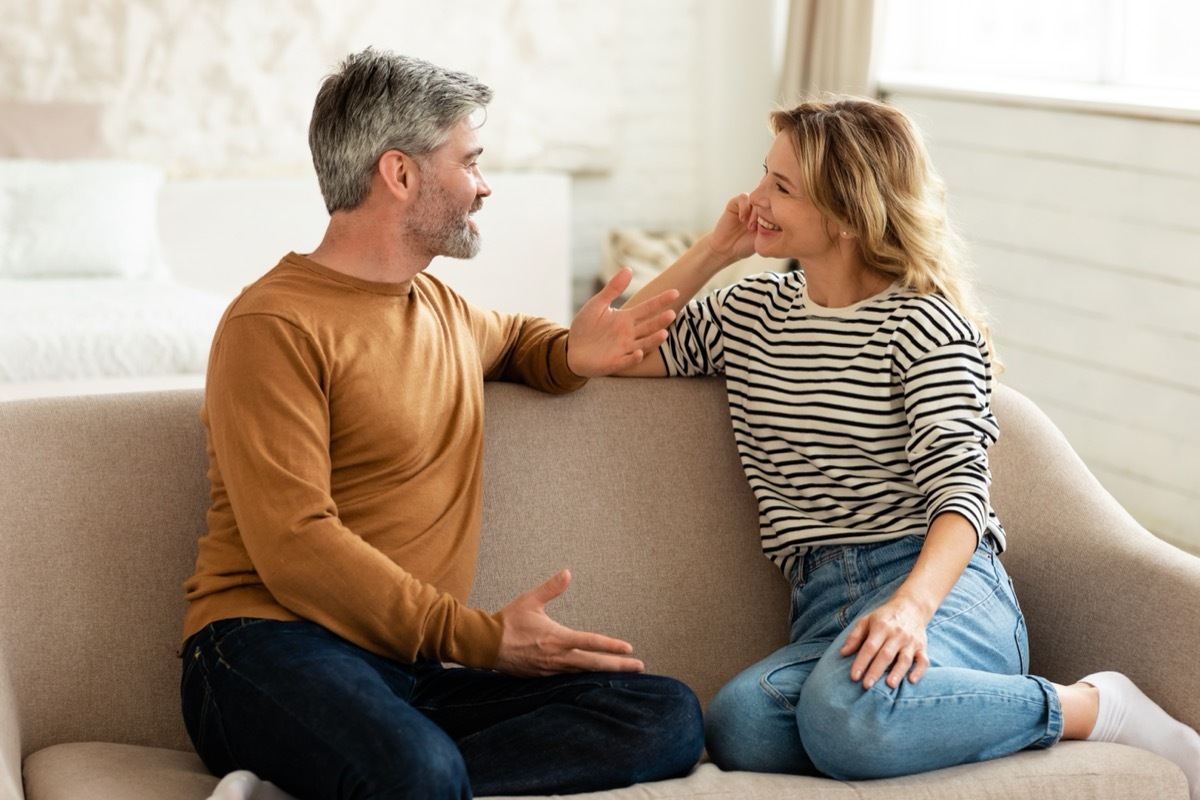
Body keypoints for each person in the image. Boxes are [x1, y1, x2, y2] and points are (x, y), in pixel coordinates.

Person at [617, 96, 1200, 795]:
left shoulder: (925, 324)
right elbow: (611, 350)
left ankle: (1092, 708)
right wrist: (715, 250)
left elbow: (962, 496)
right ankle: (907, 715)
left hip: (943, 591)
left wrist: (910, 608)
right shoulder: (747, 314)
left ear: (844, 213)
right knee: (741, 724)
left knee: (844, 715)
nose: (753, 199)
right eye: (761, 175)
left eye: (781, 187)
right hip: (821, 602)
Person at [179, 48, 704, 800]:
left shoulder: (445, 311)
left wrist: (573, 353)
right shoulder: (273, 322)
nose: (483, 187)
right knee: (416, 770)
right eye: (470, 161)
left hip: (403, 673)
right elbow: (296, 545)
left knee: (665, 716)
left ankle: (349, 784)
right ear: (400, 174)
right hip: (265, 648)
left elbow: (524, 342)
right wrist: (482, 640)